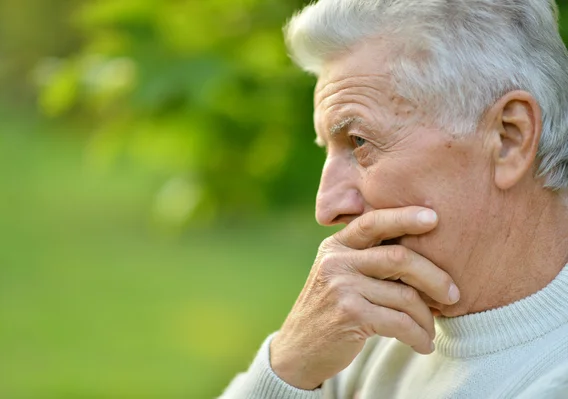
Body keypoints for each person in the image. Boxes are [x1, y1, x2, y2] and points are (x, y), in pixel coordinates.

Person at [220, 0, 568, 397]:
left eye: (359, 142)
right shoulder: (363, 322)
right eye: (328, 150)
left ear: (509, 137)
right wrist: (288, 366)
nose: (327, 207)